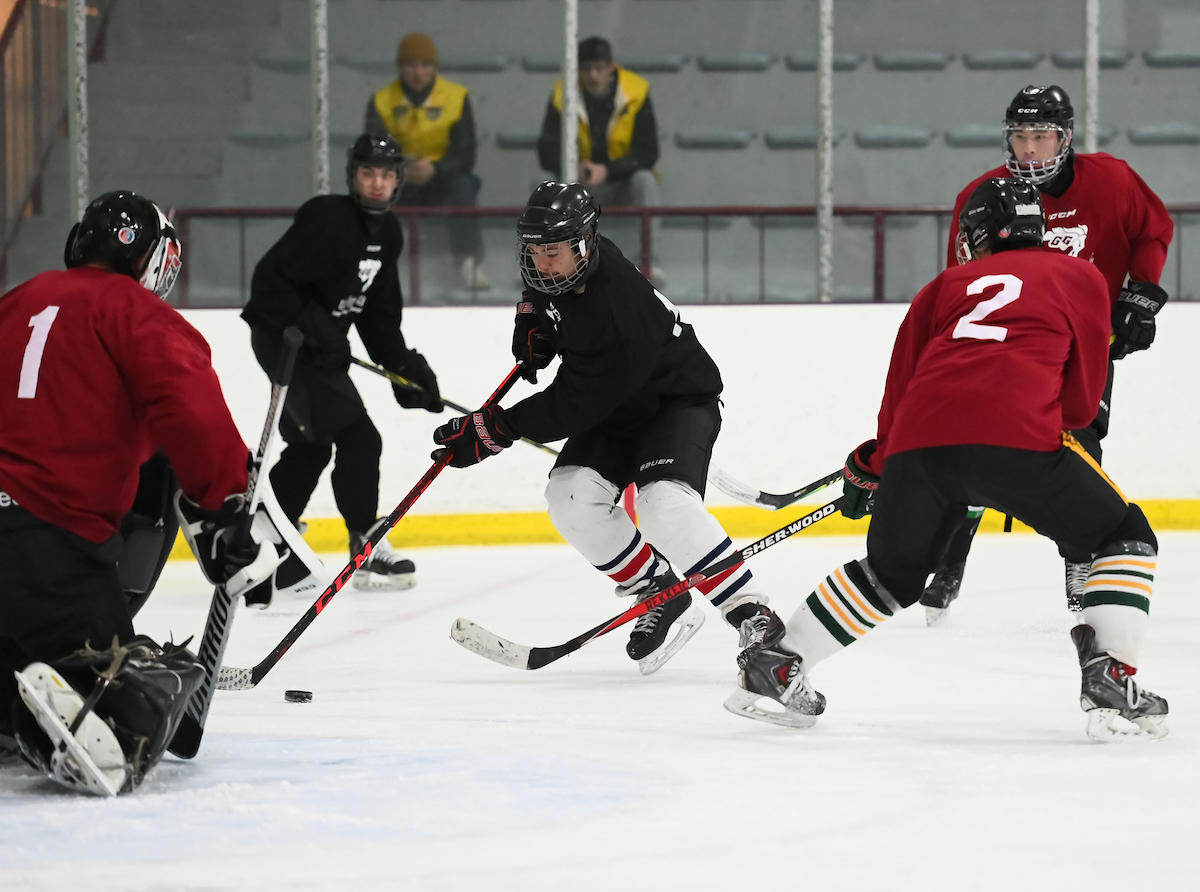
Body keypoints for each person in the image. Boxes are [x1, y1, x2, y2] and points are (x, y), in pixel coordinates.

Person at [725, 177, 1167, 742]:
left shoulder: (942, 287)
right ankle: (1110, 672)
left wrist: (877, 463)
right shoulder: (1079, 275)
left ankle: (778, 664)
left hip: (918, 448)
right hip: (1018, 438)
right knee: (1124, 534)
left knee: (890, 575)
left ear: (976, 237)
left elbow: (899, 394)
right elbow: (1081, 403)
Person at [430, 181, 783, 675]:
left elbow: (574, 403)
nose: (541, 263)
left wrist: (494, 429)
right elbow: (544, 290)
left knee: (664, 504)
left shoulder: (616, 303)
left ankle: (752, 613)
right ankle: (658, 590)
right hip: (617, 407)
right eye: (533, 252)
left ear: (584, 243)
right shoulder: (574, 261)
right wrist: (531, 318)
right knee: (571, 496)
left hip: (675, 402)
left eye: (551, 252)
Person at [0, 190, 275, 795]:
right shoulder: (136, 314)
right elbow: (189, 411)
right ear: (154, 261)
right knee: (148, 686)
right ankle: (90, 697)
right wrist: (228, 506)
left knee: (20, 654)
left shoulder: (17, 300)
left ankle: (18, 695)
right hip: (51, 547)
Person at [923, 84, 1174, 623]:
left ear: (1065, 138)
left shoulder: (1111, 180)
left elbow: (1153, 231)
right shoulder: (984, 194)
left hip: (1085, 343)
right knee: (978, 443)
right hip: (1008, 350)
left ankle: (1081, 556)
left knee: (1080, 443)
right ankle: (951, 552)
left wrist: (1141, 293)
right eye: (1021, 137)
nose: (1030, 150)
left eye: (1041, 137)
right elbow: (958, 280)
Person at [242, 133, 444, 595]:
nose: (378, 183)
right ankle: (365, 543)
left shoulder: (388, 234)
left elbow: (377, 317)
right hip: (284, 340)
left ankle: (262, 535)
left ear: (397, 183)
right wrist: (315, 332)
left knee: (314, 446)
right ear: (354, 176)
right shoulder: (326, 218)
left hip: (318, 348)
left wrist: (405, 368)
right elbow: (271, 284)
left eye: (387, 175)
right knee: (360, 437)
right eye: (369, 173)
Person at [365, 32, 491, 290]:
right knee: (373, 191)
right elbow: (372, 152)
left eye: (425, 65)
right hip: (399, 181)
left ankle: (468, 263)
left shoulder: (456, 97)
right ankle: (373, 267)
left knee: (465, 185)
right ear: (401, 68)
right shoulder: (381, 101)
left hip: (442, 179)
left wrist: (435, 170)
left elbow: (466, 155)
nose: (418, 72)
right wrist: (398, 171)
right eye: (411, 65)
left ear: (434, 67)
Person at [536, 37, 662, 280]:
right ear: (578, 71)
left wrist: (609, 171)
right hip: (579, 185)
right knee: (543, 183)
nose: (593, 75)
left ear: (611, 68)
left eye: (599, 68)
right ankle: (548, 263)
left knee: (645, 180)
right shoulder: (562, 95)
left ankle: (649, 261)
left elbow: (649, 152)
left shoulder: (636, 92)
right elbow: (546, 149)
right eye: (586, 69)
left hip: (621, 183)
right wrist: (573, 167)